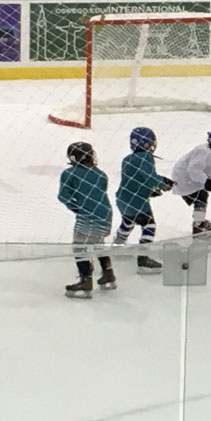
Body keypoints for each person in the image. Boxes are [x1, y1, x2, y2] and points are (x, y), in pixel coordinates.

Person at [59, 142, 115, 299]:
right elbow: (101, 189)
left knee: (79, 246)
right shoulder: (101, 173)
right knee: (98, 243)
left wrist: (76, 207)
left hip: (87, 216)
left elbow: (63, 196)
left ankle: (86, 281)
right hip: (106, 214)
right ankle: (108, 273)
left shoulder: (69, 174)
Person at [114, 127, 174, 274]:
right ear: (147, 144)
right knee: (149, 226)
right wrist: (162, 182)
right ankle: (143, 260)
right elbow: (148, 176)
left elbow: (135, 179)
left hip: (123, 199)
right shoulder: (146, 157)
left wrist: (150, 190)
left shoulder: (126, 159)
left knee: (128, 222)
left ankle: (118, 247)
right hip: (137, 202)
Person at [171, 128, 211, 236]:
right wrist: (206, 182)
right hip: (183, 179)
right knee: (201, 195)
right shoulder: (204, 151)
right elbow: (193, 170)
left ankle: (199, 223)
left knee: (202, 195)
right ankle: (198, 225)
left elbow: (210, 176)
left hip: (190, 179)